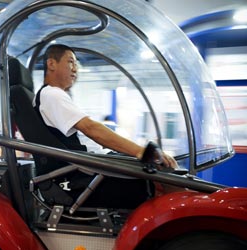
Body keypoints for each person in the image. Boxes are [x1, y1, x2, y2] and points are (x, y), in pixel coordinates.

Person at [33, 44, 177, 208]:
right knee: (155, 178)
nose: (75, 69)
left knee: (141, 166)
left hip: (77, 171)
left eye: (76, 65)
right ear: (51, 64)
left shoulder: (47, 96)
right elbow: (91, 129)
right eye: (70, 62)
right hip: (75, 180)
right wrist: (140, 151)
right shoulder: (52, 94)